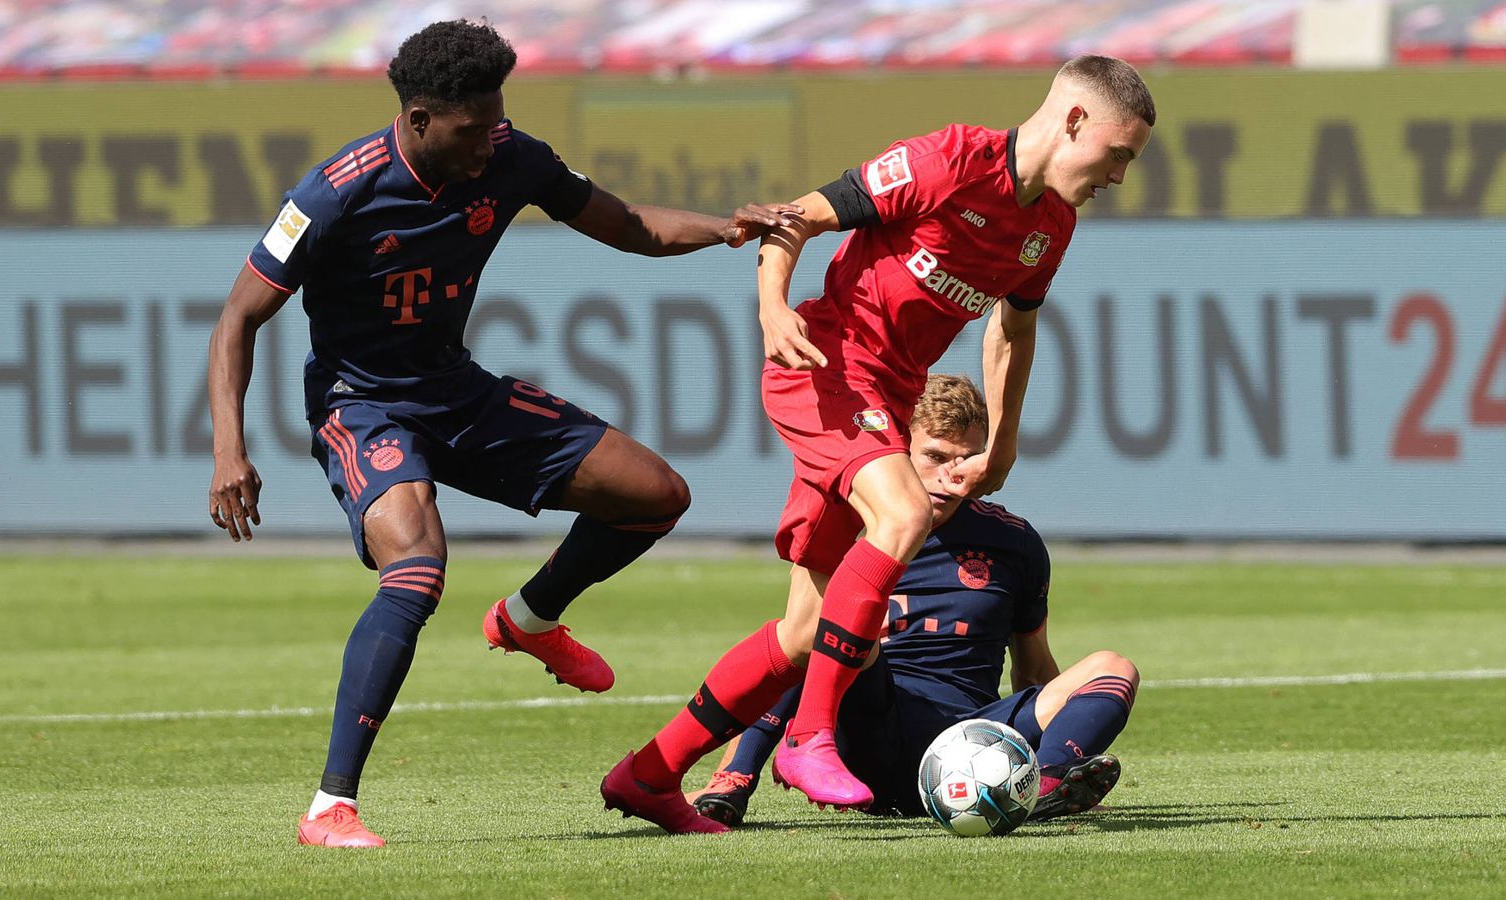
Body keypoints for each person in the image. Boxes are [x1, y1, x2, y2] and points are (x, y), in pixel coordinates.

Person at [206, 19, 798, 848]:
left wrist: (730, 228)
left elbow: (628, 224)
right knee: (416, 568)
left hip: (456, 390)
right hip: (363, 403)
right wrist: (230, 449)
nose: (490, 139)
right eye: (471, 128)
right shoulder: (335, 191)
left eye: (496, 120)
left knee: (655, 496)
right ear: (416, 119)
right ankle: (330, 806)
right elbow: (238, 317)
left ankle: (530, 618)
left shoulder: (512, 155)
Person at [602, 55, 1154, 833]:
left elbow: (1014, 326)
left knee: (804, 629)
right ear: (1073, 122)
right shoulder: (949, 160)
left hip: (887, 399)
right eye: (1119, 154)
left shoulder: (1049, 226)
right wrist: (772, 308)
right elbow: (793, 219)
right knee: (900, 516)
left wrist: (1003, 438)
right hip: (829, 368)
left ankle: (649, 774)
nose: (1119, 177)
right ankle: (808, 737)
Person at [686, 374, 1138, 827]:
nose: (952, 476)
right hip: (872, 731)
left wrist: (1062, 730)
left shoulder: (1014, 542)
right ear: (899, 448)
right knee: (815, 628)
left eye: (967, 460)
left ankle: (1046, 786)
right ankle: (733, 782)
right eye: (935, 457)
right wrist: (731, 761)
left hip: (971, 741)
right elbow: (792, 653)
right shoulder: (850, 528)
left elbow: (1035, 667)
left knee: (1113, 667)